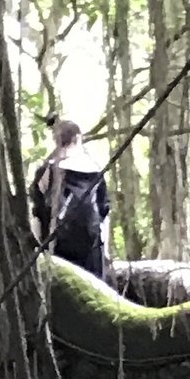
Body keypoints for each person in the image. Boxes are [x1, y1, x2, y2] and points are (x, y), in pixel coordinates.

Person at [31, 114, 112, 278]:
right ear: (77, 138)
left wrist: (39, 248)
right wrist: (106, 251)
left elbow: (36, 214)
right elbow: (104, 215)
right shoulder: (95, 171)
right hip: (91, 252)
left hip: (57, 250)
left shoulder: (47, 171)